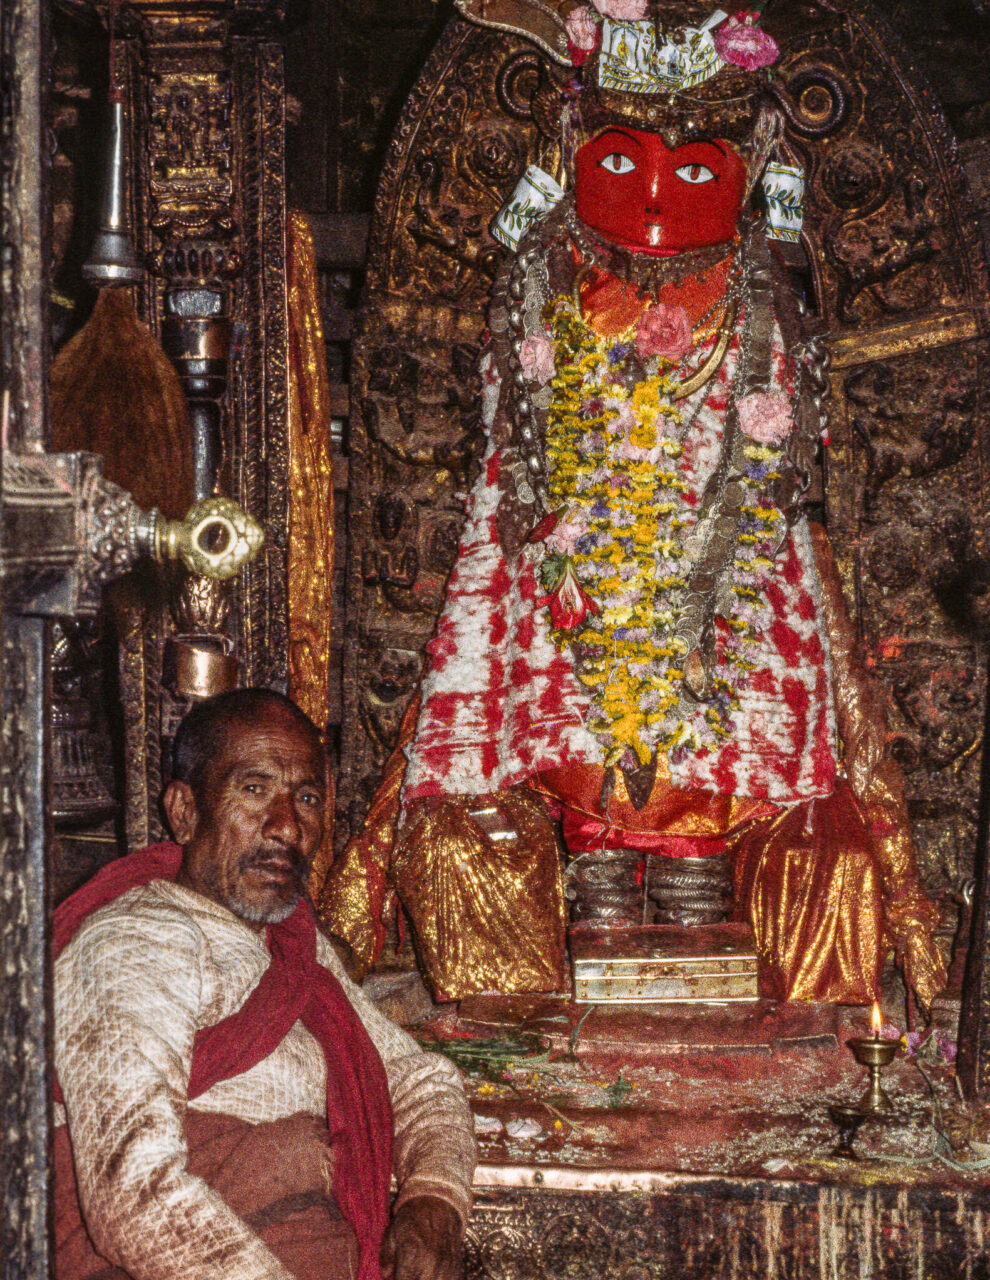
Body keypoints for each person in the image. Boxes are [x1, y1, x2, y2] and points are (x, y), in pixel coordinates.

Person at [322, 0, 946, 1011]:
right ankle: (548, 986)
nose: (658, 192)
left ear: (748, 177)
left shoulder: (759, 317)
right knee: (457, 843)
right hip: (568, 648)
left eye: (697, 168)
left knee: (827, 861)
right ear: (573, 161)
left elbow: (764, 521)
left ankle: (759, 974)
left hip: (725, 659)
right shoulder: (547, 299)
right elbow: (512, 510)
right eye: (622, 162)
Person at [52, 688, 475, 1280]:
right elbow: (136, 1194)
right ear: (185, 812)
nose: (286, 825)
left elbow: (418, 1079)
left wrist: (434, 1198)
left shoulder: (294, 943)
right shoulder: (137, 939)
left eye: (306, 797)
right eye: (253, 790)